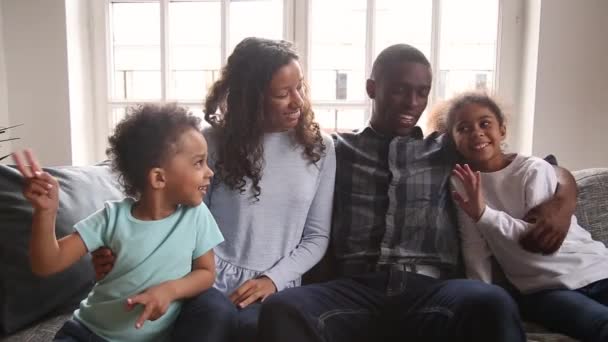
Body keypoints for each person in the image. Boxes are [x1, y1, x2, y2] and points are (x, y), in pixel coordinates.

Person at [257, 44, 578, 342]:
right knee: (282, 308)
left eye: (421, 93)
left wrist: (562, 203)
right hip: (354, 291)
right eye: (399, 90)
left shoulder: (446, 149)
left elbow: (543, 166)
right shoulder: (336, 150)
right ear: (372, 89)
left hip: (431, 292)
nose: (412, 103)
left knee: (493, 302)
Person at [93, 37, 336, 341]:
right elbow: (176, 214)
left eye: (300, 87)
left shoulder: (319, 149)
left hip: (277, 287)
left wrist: (271, 280)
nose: (298, 101)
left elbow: (316, 237)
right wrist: (122, 250)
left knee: (255, 328)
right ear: (252, 98)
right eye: (283, 94)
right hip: (204, 278)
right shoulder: (211, 143)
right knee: (211, 319)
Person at [12, 104, 224, 342]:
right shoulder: (111, 218)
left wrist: (169, 291)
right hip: (88, 333)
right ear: (159, 178)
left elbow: (206, 273)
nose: (209, 172)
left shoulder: (196, 216)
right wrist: (45, 212)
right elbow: (47, 264)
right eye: (198, 163)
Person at [446, 92, 608, 341]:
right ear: (453, 140)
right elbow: (475, 249)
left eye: (485, 123)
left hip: (597, 269)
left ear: (502, 130)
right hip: (544, 290)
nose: (476, 132)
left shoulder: (533, 169)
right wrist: (483, 302)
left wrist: (484, 215)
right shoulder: (461, 182)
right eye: (463, 128)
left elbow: (540, 242)